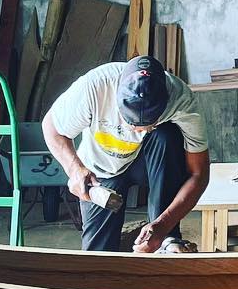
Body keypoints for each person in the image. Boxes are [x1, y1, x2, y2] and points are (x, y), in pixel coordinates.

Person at [42, 56, 210, 253]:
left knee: (167, 135)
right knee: (98, 257)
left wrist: (164, 223)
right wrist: (75, 169)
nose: (137, 131)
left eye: (146, 126)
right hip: (101, 169)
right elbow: (51, 127)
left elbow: (199, 174)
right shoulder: (95, 87)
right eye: (132, 123)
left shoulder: (181, 100)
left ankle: (165, 239)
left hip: (149, 163)